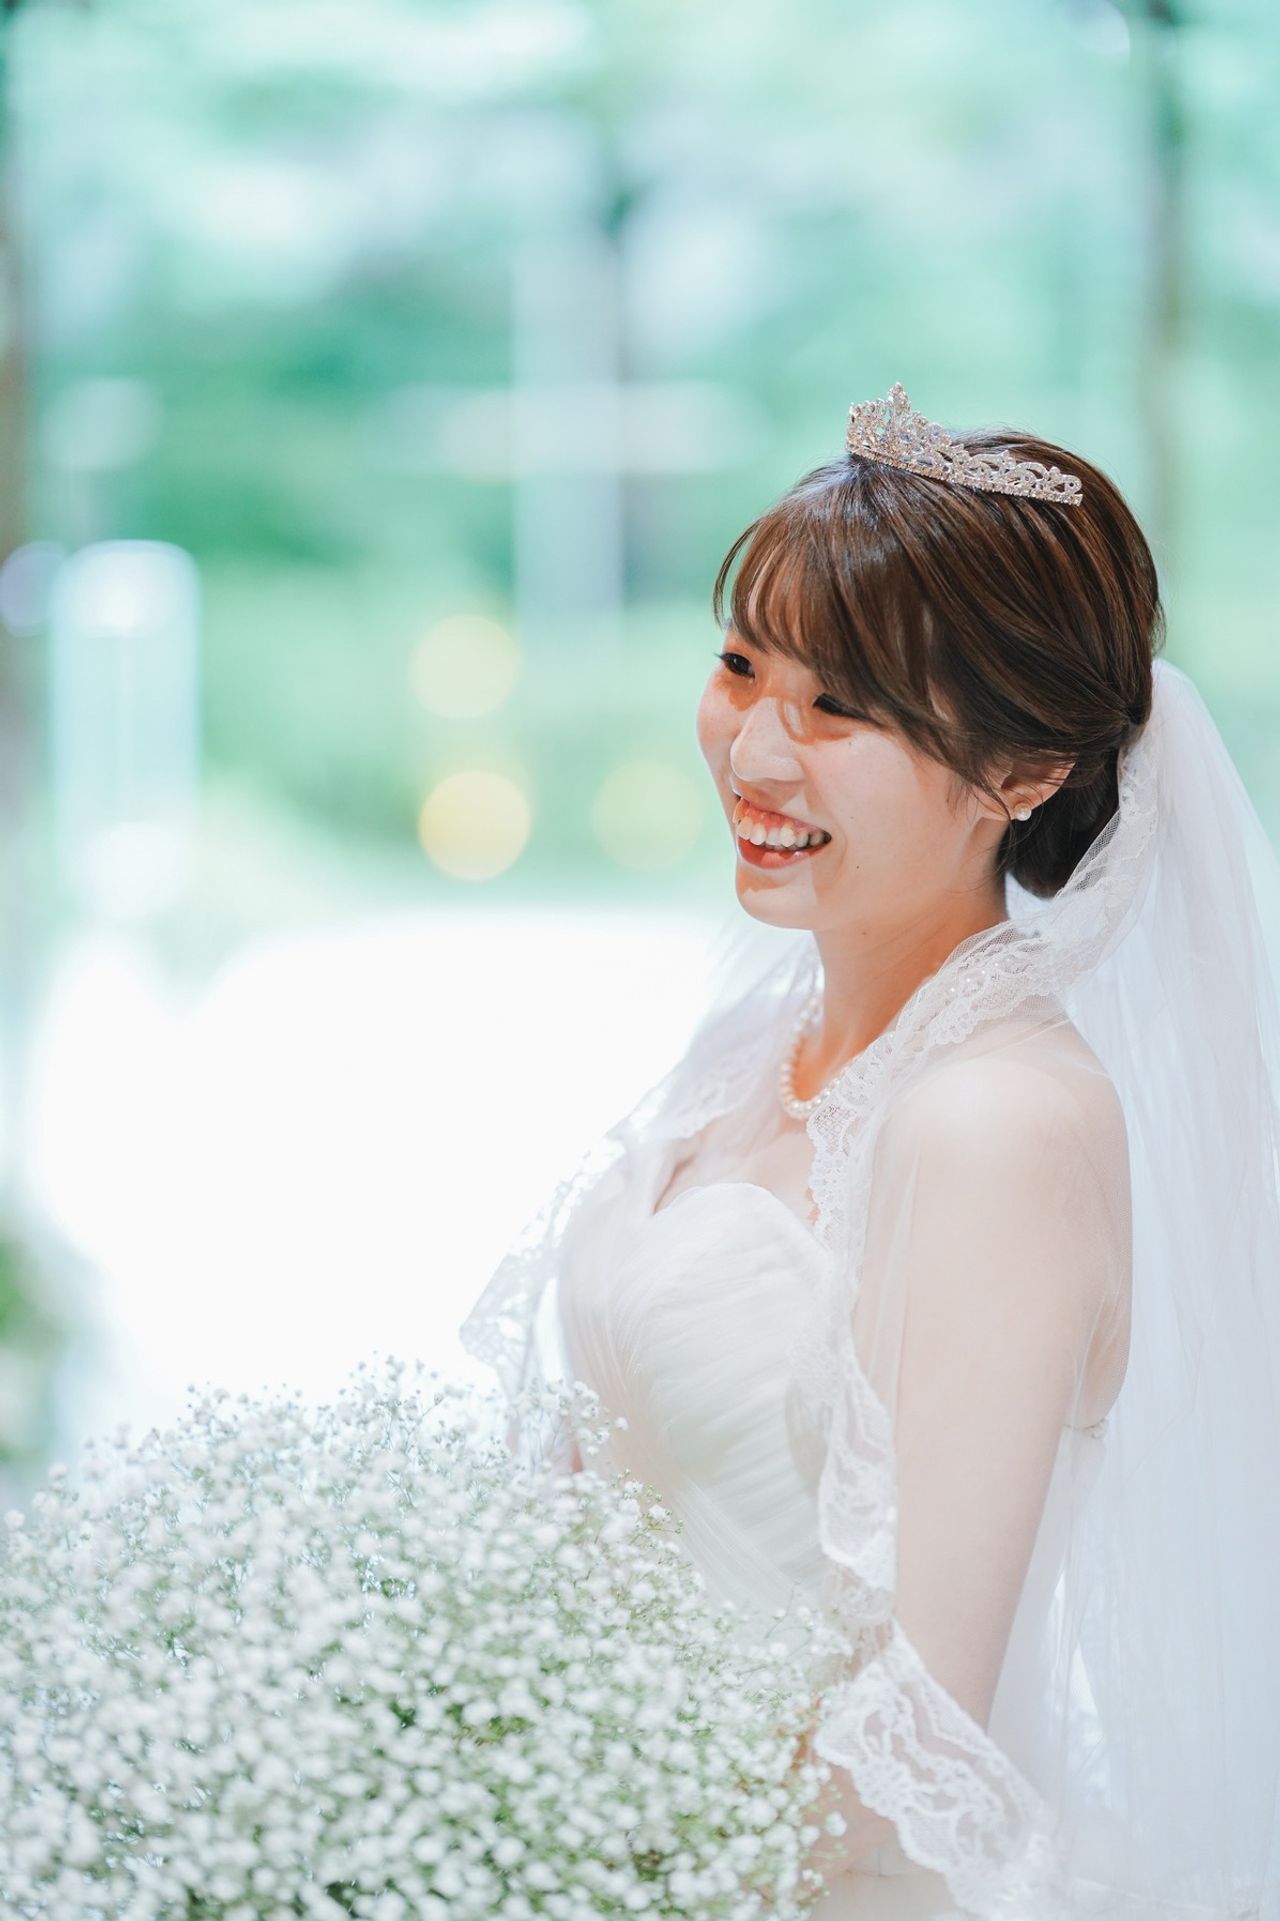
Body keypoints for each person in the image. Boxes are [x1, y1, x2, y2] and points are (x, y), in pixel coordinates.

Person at [459, 384, 1280, 1919]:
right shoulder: (748, 1045)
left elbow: (911, 1736)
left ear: (1025, 771)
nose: (755, 750)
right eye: (739, 667)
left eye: (838, 707)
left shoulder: (998, 1120)